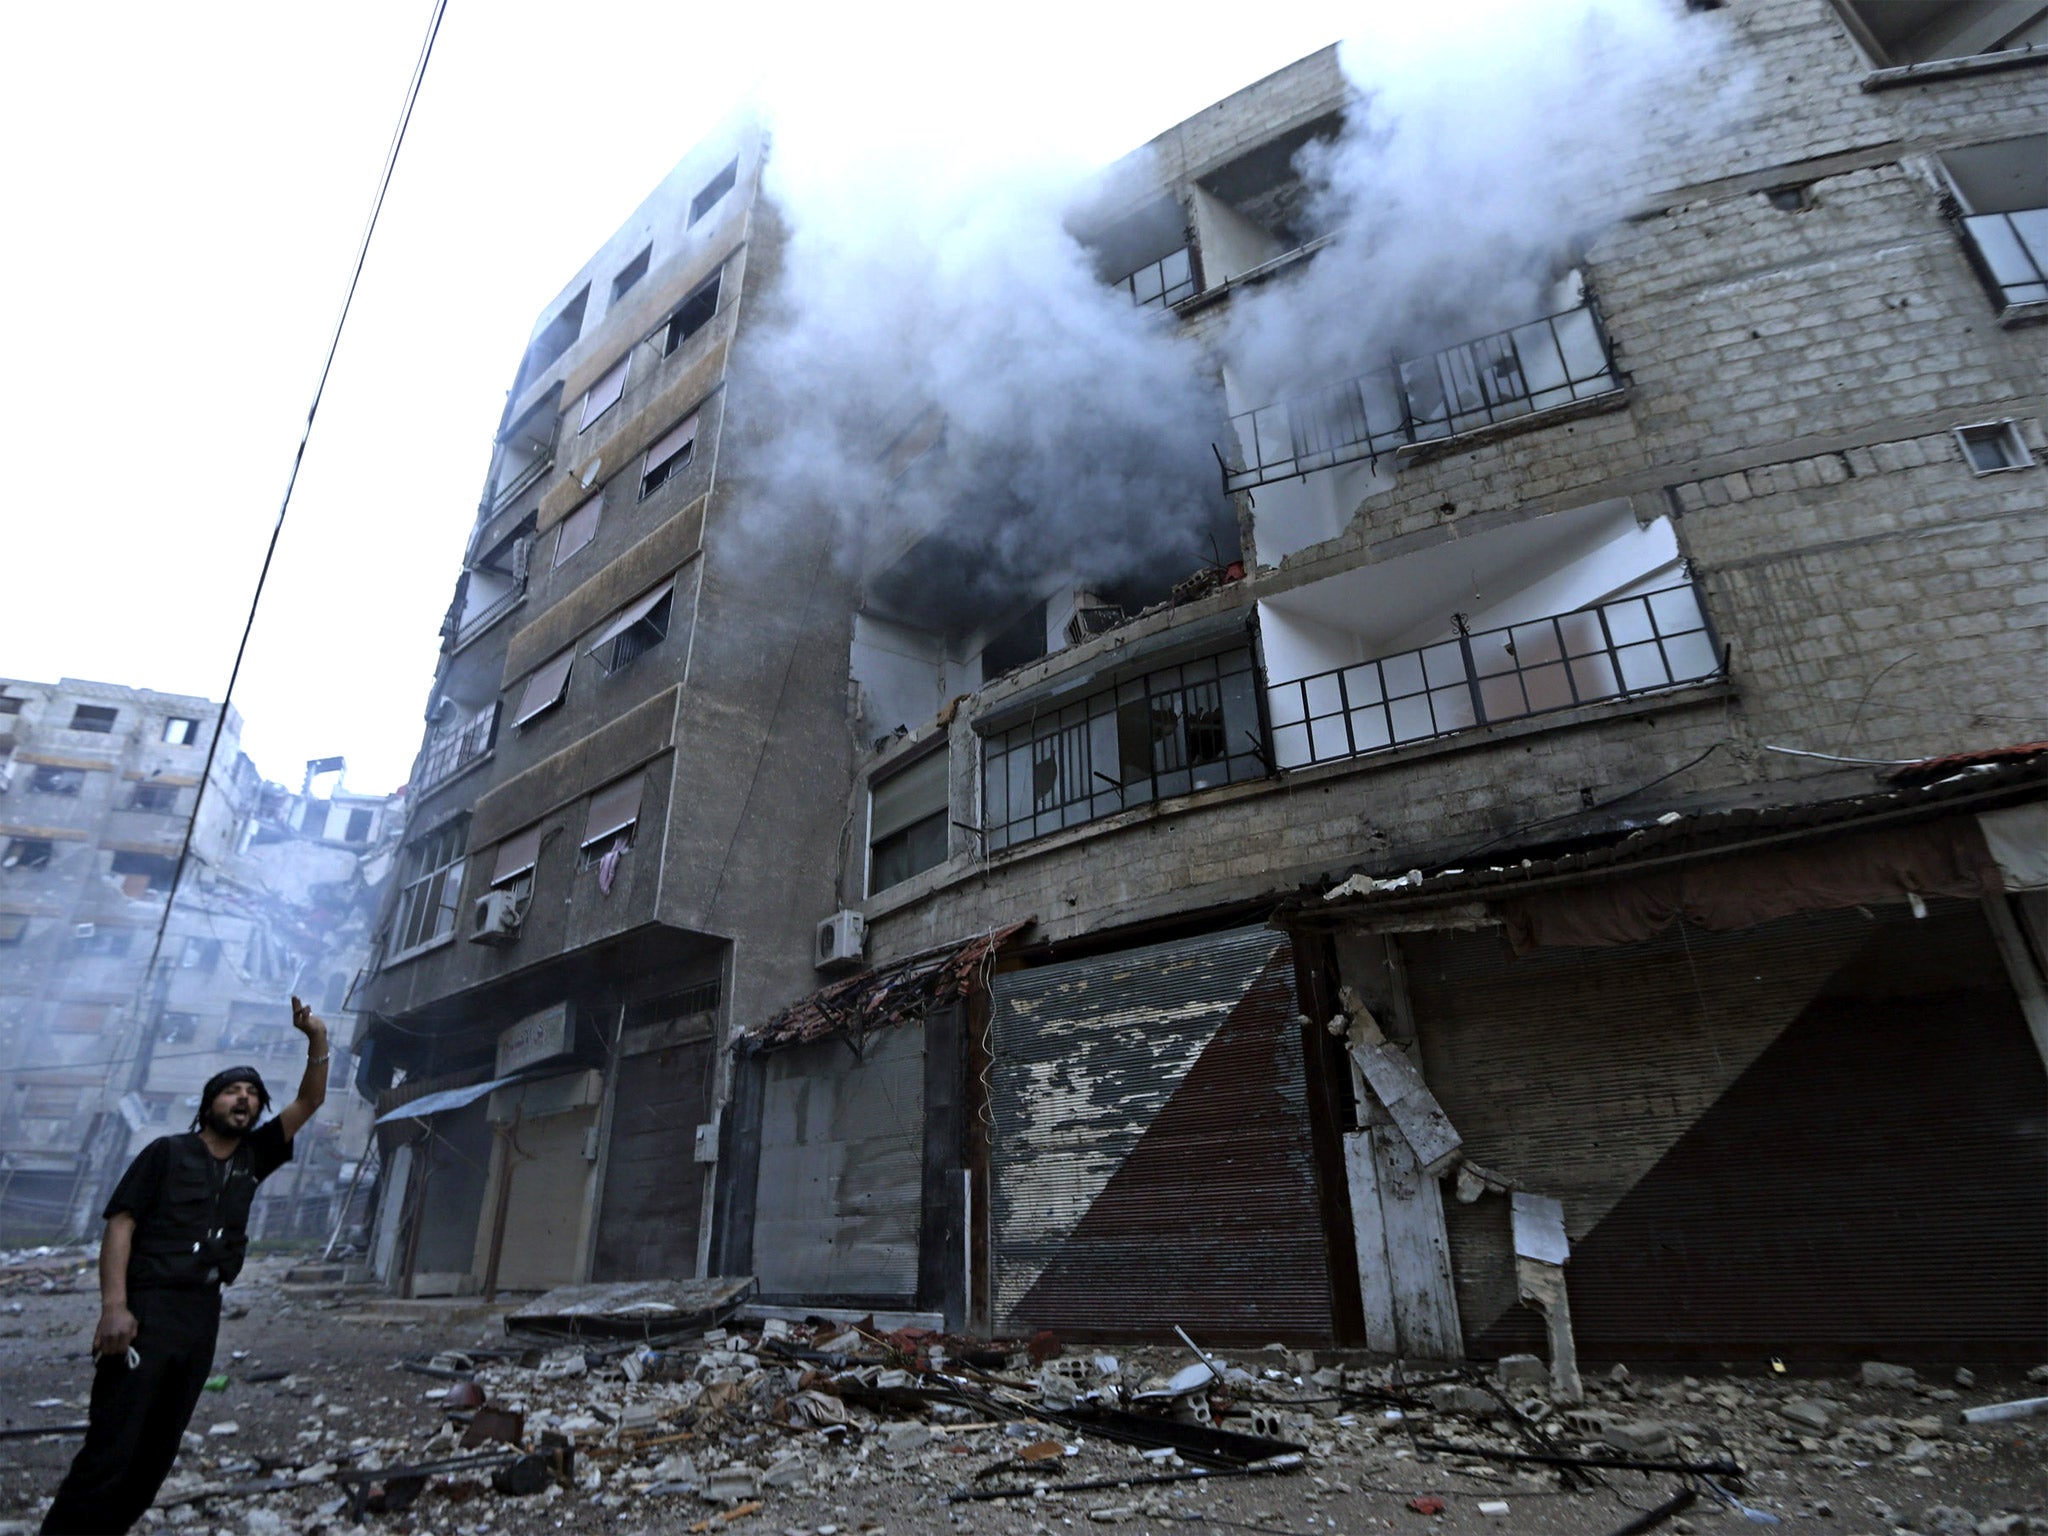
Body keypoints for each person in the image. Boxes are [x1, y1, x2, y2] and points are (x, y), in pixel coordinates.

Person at [41, 997, 330, 1535]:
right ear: (209, 1103)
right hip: (148, 1308)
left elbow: (310, 1100)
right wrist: (114, 1309)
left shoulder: (254, 1156)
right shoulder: (166, 1152)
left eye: (251, 1094)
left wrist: (316, 1037)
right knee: (113, 1444)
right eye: (230, 1090)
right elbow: (121, 1223)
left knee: (156, 1451)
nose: (242, 1099)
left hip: (201, 1313)